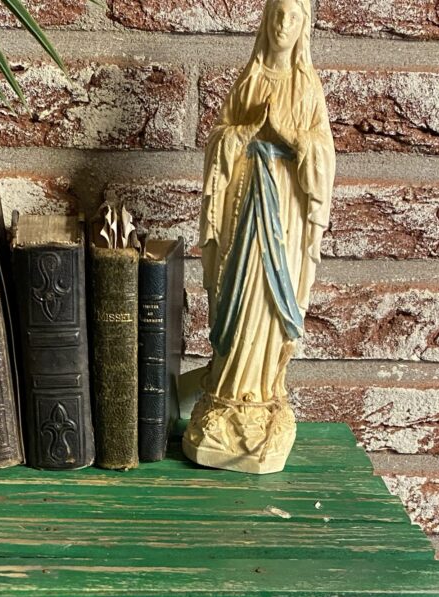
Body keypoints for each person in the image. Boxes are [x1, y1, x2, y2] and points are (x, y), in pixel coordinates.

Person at [183, 0, 335, 474]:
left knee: (270, 298)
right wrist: (243, 133)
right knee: (239, 291)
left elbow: (324, 153)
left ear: (304, 26)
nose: (283, 24)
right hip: (245, 207)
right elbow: (219, 138)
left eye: (292, 17)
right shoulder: (248, 80)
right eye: (277, 14)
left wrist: (293, 139)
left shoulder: (307, 86)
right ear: (266, 21)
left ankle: (264, 395)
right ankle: (225, 394)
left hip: (285, 213)